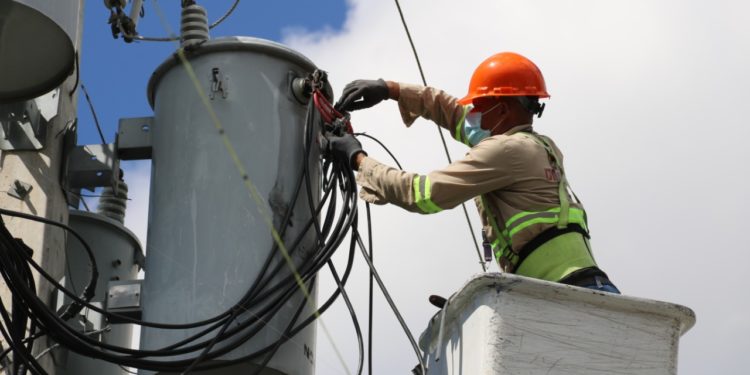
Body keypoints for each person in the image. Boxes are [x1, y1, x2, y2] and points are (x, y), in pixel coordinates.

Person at [329, 52, 619, 293]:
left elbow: (422, 194)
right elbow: (454, 114)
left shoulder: (505, 151)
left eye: (480, 107)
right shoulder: (537, 145)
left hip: (566, 292)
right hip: (580, 287)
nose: (474, 115)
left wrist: (358, 159)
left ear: (503, 109)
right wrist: (391, 89)